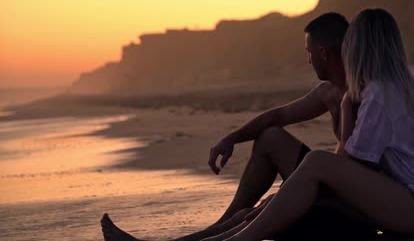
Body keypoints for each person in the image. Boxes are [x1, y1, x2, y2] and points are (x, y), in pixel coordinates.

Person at [101, 12, 376, 241]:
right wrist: (232, 138)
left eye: (309, 53)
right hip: (330, 183)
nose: (308, 61)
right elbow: (278, 116)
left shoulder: (369, 95)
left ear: (323, 53)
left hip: (355, 201)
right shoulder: (329, 92)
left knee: (251, 215)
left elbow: (365, 168)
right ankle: (222, 222)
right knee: (270, 137)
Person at [198, 8, 414, 241]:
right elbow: (284, 119)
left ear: (358, 48)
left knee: (315, 165)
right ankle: (228, 231)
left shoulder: (379, 94)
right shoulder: (404, 85)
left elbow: (350, 165)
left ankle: (236, 238)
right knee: (289, 174)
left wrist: (345, 108)